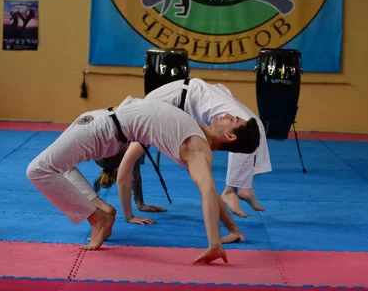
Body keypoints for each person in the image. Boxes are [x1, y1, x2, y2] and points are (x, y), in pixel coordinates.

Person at [26, 96, 260, 264]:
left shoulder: (197, 148)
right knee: (57, 167)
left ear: (230, 136)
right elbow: (210, 191)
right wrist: (232, 228)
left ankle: (96, 217)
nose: (228, 114)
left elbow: (208, 192)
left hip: (101, 129)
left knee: (38, 170)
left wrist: (215, 243)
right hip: (104, 125)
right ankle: (99, 208)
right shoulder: (198, 136)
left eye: (234, 120)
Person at [111, 78, 271, 222]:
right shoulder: (141, 129)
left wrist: (138, 206)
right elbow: (128, 167)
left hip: (186, 97)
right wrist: (134, 210)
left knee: (249, 128)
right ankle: (234, 189)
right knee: (248, 126)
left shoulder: (136, 122)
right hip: (187, 99)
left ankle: (240, 187)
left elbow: (128, 167)